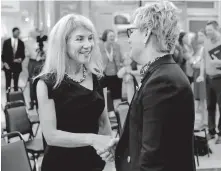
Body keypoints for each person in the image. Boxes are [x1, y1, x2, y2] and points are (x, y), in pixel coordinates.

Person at [100, 1, 196, 171]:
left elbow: (153, 159)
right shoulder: (160, 73)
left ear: (146, 34)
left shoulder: (163, 81)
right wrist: (126, 146)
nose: (129, 38)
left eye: (131, 31)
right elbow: (157, 137)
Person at [34, 14, 115, 171]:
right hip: (61, 164)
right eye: (80, 39)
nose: (88, 45)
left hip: (94, 162)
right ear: (63, 44)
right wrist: (92, 139)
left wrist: (109, 152)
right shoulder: (47, 83)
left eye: (90, 38)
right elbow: (51, 136)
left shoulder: (98, 77)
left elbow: (103, 122)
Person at [197, 21, 221, 144]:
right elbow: (202, 61)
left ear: (217, 29)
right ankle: (211, 132)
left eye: (210, 30)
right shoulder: (206, 42)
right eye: (207, 31)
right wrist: (201, 75)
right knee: (210, 106)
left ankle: (220, 134)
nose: (208, 33)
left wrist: (219, 63)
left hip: (219, 78)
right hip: (208, 78)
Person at [26, 29, 47, 110]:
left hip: (42, 63)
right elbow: (28, 53)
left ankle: (40, 102)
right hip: (33, 63)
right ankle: (32, 101)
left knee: (42, 83)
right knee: (32, 83)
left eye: (40, 32)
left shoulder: (46, 43)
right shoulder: (29, 43)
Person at [99, 29, 123, 100]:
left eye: (113, 36)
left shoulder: (117, 46)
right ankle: (108, 110)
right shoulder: (99, 47)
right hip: (104, 75)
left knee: (117, 95)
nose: (113, 38)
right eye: (111, 36)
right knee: (105, 96)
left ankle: (116, 109)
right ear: (105, 37)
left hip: (116, 74)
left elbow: (121, 59)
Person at [192, 29, 207, 128]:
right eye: (199, 35)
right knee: (199, 99)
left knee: (203, 99)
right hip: (198, 74)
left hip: (203, 75)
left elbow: (202, 63)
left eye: (201, 35)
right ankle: (202, 120)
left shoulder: (205, 48)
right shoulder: (200, 48)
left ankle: (204, 121)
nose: (199, 37)